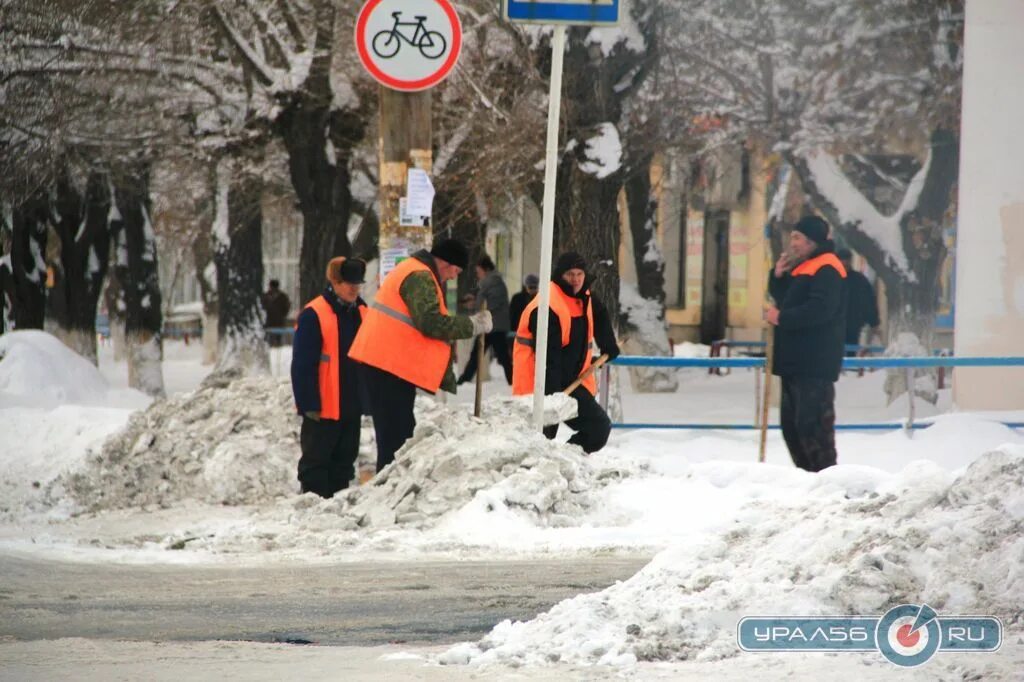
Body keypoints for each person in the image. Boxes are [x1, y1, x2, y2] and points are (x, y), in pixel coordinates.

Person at [350, 238, 492, 472]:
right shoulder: (420, 275)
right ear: (445, 263)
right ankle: (389, 492)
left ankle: (392, 488)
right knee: (396, 439)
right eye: (455, 270)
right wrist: (472, 325)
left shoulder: (417, 271)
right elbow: (430, 322)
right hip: (385, 366)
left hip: (388, 364)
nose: (454, 276)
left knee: (399, 435)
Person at [512, 252, 619, 453]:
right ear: (560, 275)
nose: (576, 279)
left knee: (598, 428)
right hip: (539, 385)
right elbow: (548, 358)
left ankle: (566, 459)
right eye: (570, 274)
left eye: (580, 273)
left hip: (571, 381)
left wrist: (609, 345)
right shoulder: (546, 305)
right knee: (538, 441)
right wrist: (554, 399)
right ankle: (535, 471)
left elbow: (600, 315)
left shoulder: (583, 296)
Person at [765, 215, 847, 473]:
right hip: (794, 362)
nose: (793, 243)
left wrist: (782, 317)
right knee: (792, 426)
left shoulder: (827, 267)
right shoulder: (804, 266)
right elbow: (789, 300)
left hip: (814, 362)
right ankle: (806, 478)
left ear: (812, 241)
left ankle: (825, 479)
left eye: (798, 238)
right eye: (792, 238)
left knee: (813, 427)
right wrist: (778, 277)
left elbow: (820, 309)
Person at [290, 257, 367, 498]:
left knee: (344, 463)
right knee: (316, 463)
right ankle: (312, 512)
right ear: (334, 282)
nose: (354, 288)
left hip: (351, 405)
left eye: (358, 282)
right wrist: (308, 404)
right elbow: (302, 365)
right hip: (323, 408)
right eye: (348, 282)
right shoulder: (314, 314)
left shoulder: (363, 312)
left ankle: (335, 512)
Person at [457, 255, 513, 385]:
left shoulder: (494, 282)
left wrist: (476, 303)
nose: (477, 275)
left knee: (495, 356)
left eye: (478, 272)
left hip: (494, 326)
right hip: (491, 325)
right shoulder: (491, 282)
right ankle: (464, 379)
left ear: (486, 269)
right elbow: (486, 301)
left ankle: (464, 380)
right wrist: (475, 301)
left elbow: (491, 303)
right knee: (484, 354)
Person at [837, 248, 880, 351]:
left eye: (847, 260)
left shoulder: (859, 280)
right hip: (834, 326)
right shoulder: (831, 279)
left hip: (852, 325)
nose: (845, 263)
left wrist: (874, 322)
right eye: (842, 260)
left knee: (849, 354)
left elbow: (869, 302)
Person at [508, 274, 539, 343]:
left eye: (535, 287)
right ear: (526, 286)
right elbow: (512, 315)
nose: (533, 290)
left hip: (531, 332)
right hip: (519, 331)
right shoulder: (518, 298)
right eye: (531, 287)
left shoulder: (539, 299)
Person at [261, 279, 291, 347]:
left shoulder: (283, 297)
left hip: (279, 321)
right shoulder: (266, 296)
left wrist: (283, 315)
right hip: (268, 321)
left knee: (278, 340)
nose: (272, 289)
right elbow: (263, 307)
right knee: (268, 339)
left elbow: (287, 307)